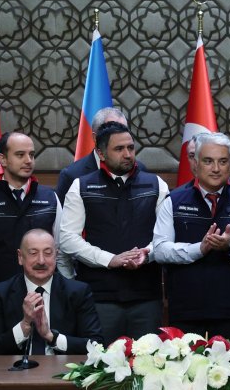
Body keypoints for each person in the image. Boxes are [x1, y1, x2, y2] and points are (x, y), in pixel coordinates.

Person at [152, 132, 230, 344]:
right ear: (195, 164)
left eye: (222, 161)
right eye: (208, 161)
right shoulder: (174, 201)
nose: (216, 168)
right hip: (185, 310)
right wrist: (199, 249)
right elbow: (160, 250)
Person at [59, 121, 167, 343]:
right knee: (101, 361)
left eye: (131, 147)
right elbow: (67, 239)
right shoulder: (81, 186)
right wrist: (110, 260)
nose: (127, 154)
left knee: (150, 361)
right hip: (100, 297)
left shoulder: (156, 184)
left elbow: (166, 236)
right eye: (119, 149)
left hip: (146, 297)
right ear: (101, 153)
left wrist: (146, 253)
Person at [0, 132, 66, 315]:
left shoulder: (50, 198)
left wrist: (66, 293)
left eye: (32, 155)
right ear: (2, 159)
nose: (28, 161)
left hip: (45, 299)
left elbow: (60, 250)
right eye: (20, 155)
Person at [0, 229, 102, 355]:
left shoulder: (78, 292)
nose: (41, 261)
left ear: (56, 256)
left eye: (48, 253)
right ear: (20, 257)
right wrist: (24, 326)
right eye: (33, 253)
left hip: (62, 367)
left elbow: (96, 345)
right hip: (15, 367)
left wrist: (51, 337)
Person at [56, 107, 140, 202]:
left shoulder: (140, 169)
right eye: (113, 131)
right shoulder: (72, 175)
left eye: (124, 130)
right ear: (95, 138)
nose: (121, 137)